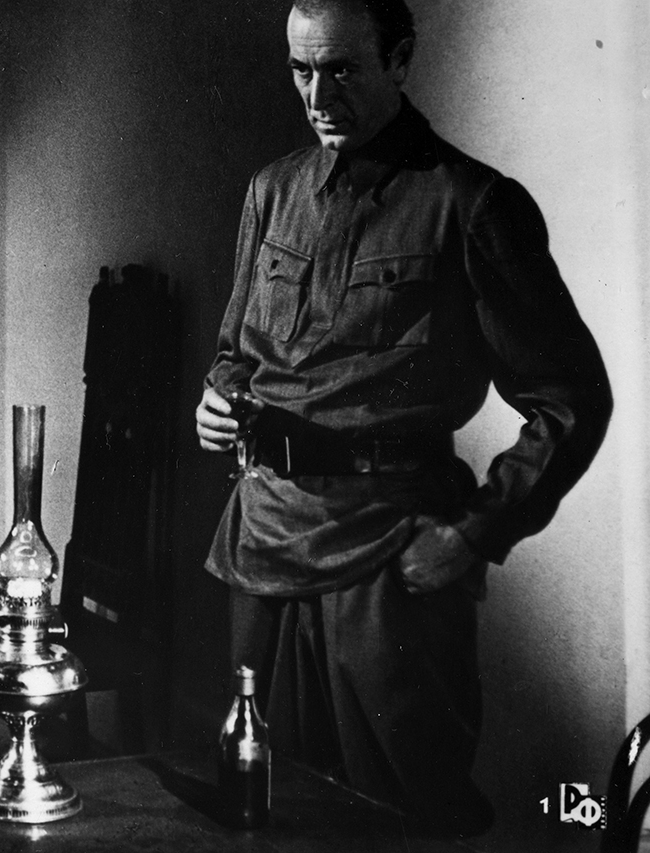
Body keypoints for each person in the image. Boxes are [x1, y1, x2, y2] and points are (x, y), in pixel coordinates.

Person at [194, 0, 611, 836]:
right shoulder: (273, 191)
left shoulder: (470, 204)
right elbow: (238, 349)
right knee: (261, 808)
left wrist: (473, 533)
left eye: (342, 70)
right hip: (264, 539)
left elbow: (572, 397)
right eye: (301, 70)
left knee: (401, 819)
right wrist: (218, 397)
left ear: (401, 58)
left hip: (387, 556)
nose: (318, 96)